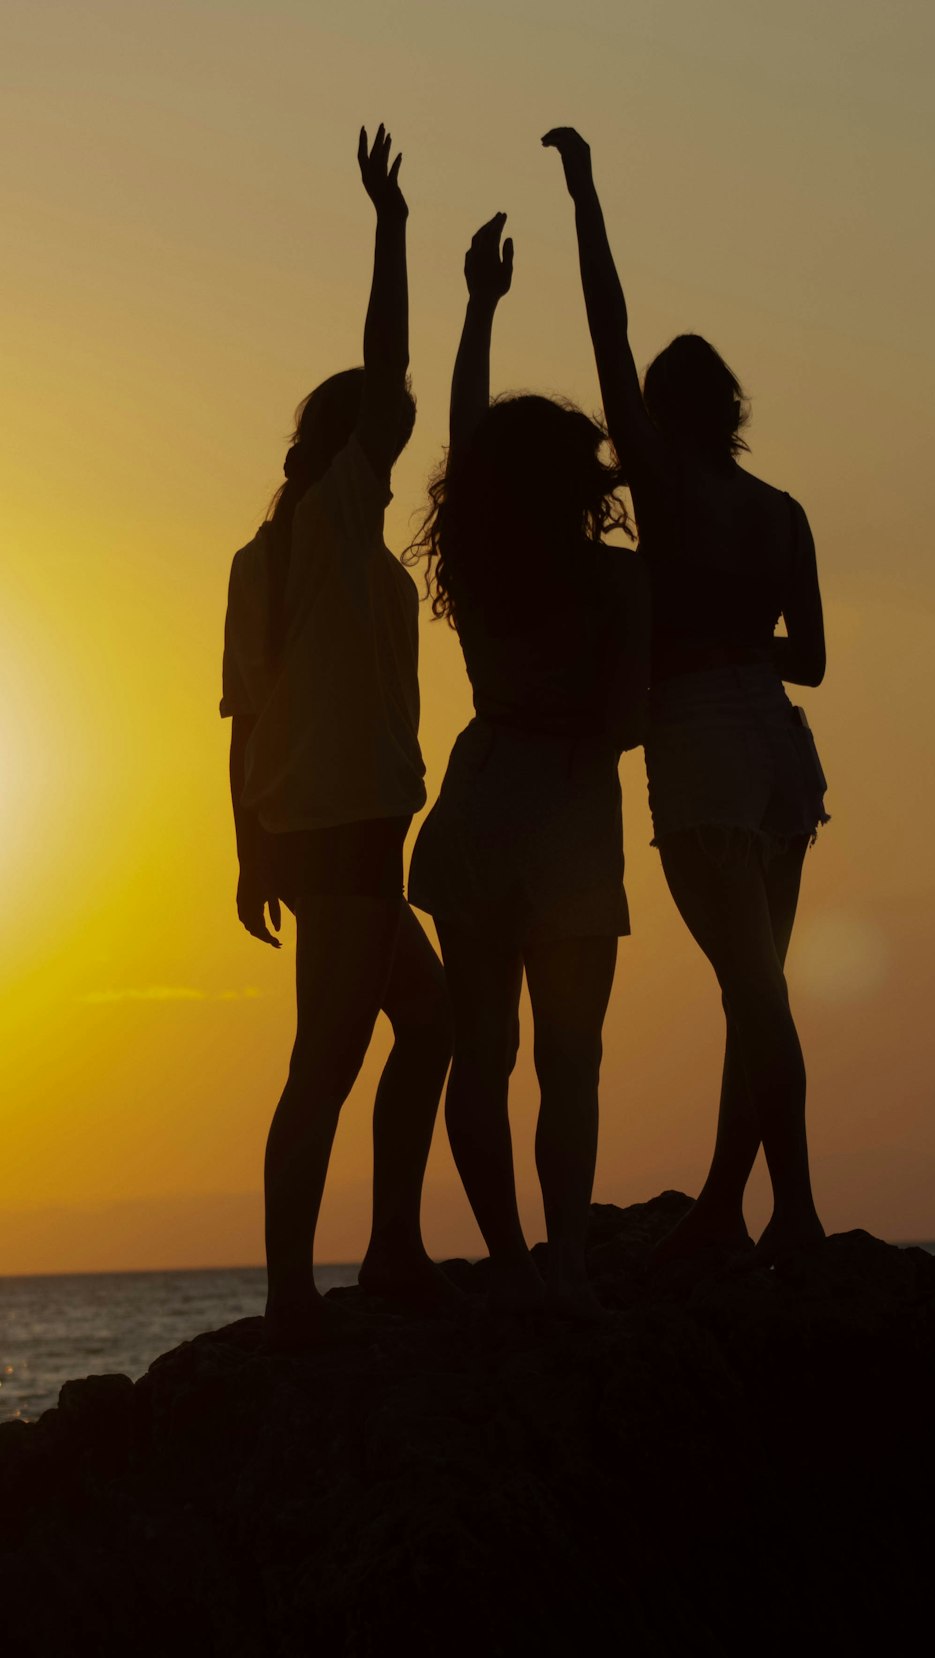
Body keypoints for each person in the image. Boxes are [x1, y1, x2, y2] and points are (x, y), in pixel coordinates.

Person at [544, 128, 829, 1265]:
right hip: (778, 739)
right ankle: (726, 1204)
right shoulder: (783, 511)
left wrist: (586, 199)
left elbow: (605, 329)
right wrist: (738, 629)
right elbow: (808, 657)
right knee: (751, 987)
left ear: (661, 410)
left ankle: (795, 1210)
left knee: (754, 993)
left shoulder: (658, 482)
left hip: (704, 737)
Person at [220, 127, 453, 1346]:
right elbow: (387, 356)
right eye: (389, 426)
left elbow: (241, 731)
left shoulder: (280, 556)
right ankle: (296, 1287)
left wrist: (248, 852)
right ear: (355, 437)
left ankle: (384, 1247)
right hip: (345, 825)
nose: (401, 441)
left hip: (330, 828)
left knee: (427, 1024)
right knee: (328, 1056)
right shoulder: (321, 527)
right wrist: (392, 228)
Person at [406, 214, 649, 1314]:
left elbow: (461, 438)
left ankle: (508, 1261)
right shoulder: (610, 583)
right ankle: (571, 1264)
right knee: (570, 1057)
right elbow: (632, 716)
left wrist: (478, 304)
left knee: (482, 1051)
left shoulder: (477, 557)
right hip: (566, 814)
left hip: (476, 802)